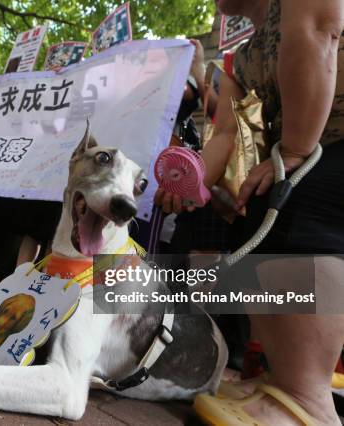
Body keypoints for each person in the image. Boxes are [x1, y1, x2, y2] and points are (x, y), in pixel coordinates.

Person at [156, 1, 344, 424]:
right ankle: (285, 379)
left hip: (329, 153)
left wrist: (294, 150)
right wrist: (191, 181)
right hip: (302, 153)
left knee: (303, 211)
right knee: (253, 213)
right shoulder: (244, 59)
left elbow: (319, 30)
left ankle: (310, 399)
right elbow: (228, 130)